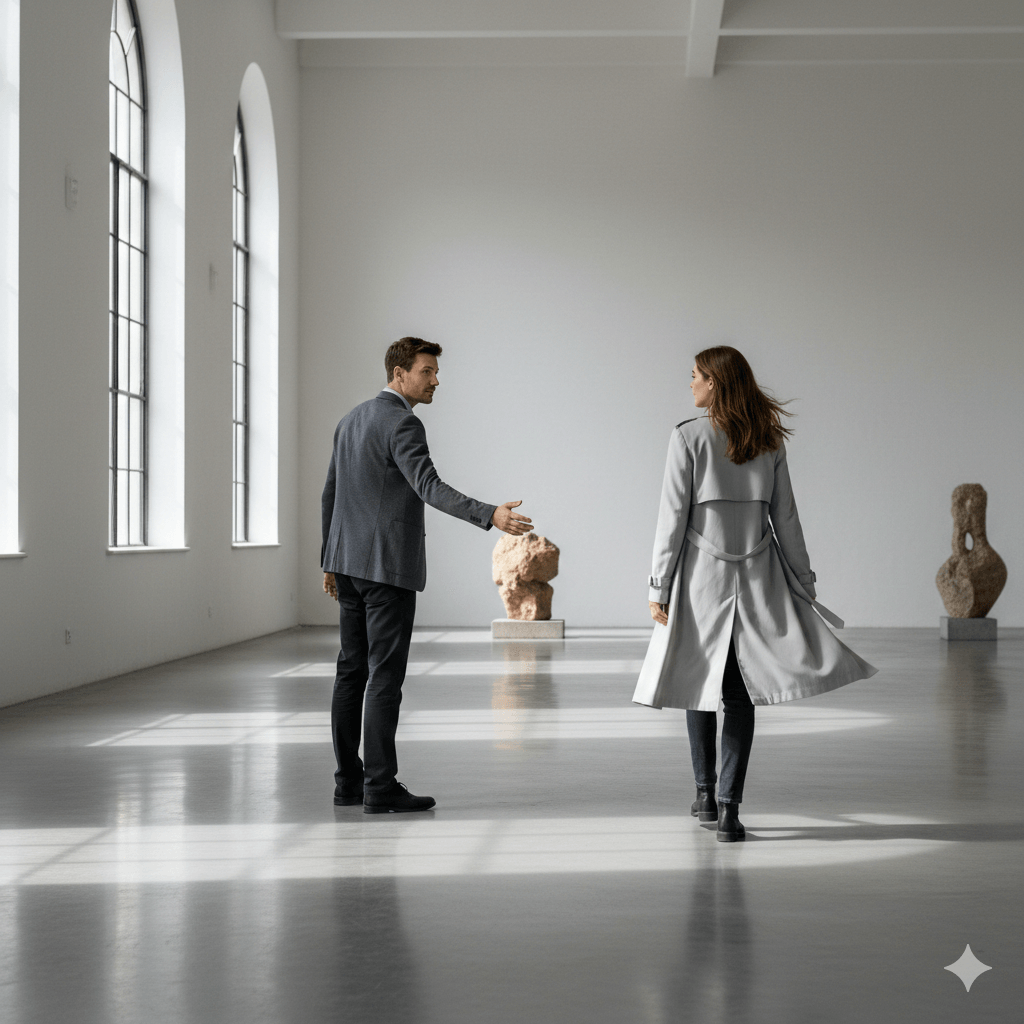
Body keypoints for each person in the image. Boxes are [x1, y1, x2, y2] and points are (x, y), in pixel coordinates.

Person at [633, 346, 877, 842]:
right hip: (760, 577)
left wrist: (658, 585)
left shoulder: (688, 437)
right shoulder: (768, 442)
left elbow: (671, 522)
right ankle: (728, 810)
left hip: (701, 579)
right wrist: (804, 581)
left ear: (716, 384)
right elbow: (786, 519)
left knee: (697, 683)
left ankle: (705, 794)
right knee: (738, 695)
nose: (692, 385)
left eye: (697, 377)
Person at [321, 336, 533, 813]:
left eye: (435, 372)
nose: (436, 380)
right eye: (426, 371)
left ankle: (347, 783)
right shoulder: (402, 424)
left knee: (350, 673)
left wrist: (329, 559)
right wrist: (489, 515)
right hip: (386, 569)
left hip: (349, 566)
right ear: (399, 373)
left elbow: (330, 494)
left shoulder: (350, 420)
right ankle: (379, 786)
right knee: (383, 678)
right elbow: (429, 488)